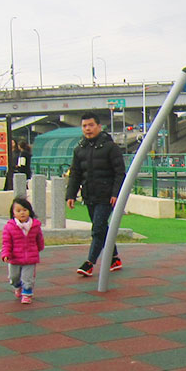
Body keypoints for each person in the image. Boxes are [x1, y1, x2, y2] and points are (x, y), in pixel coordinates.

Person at [66, 112, 126, 276]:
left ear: (99, 126)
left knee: (98, 229)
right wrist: (70, 195)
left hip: (106, 196)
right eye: (84, 126)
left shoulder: (110, 147)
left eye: (91, 125)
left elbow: (120, 172)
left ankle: (89, 263)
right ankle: (114, 258)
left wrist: (116, 193)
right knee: (102, 229)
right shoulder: (79, 149)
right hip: (89, 195)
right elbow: (75, 174)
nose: (88, 129)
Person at [1, 196, 45, 304]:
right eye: (18, 211)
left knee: (28, 278)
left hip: (30, 258)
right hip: (14, 258)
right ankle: (17, 286)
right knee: (14, 277)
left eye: (25, 210)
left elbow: (39, 239)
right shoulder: (9, 227)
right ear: (13, 213)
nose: (22, 213)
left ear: (29, 211)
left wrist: (38, 249)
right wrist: (6, 254)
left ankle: (27, 293)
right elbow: (6, 242)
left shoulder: (35, 226)